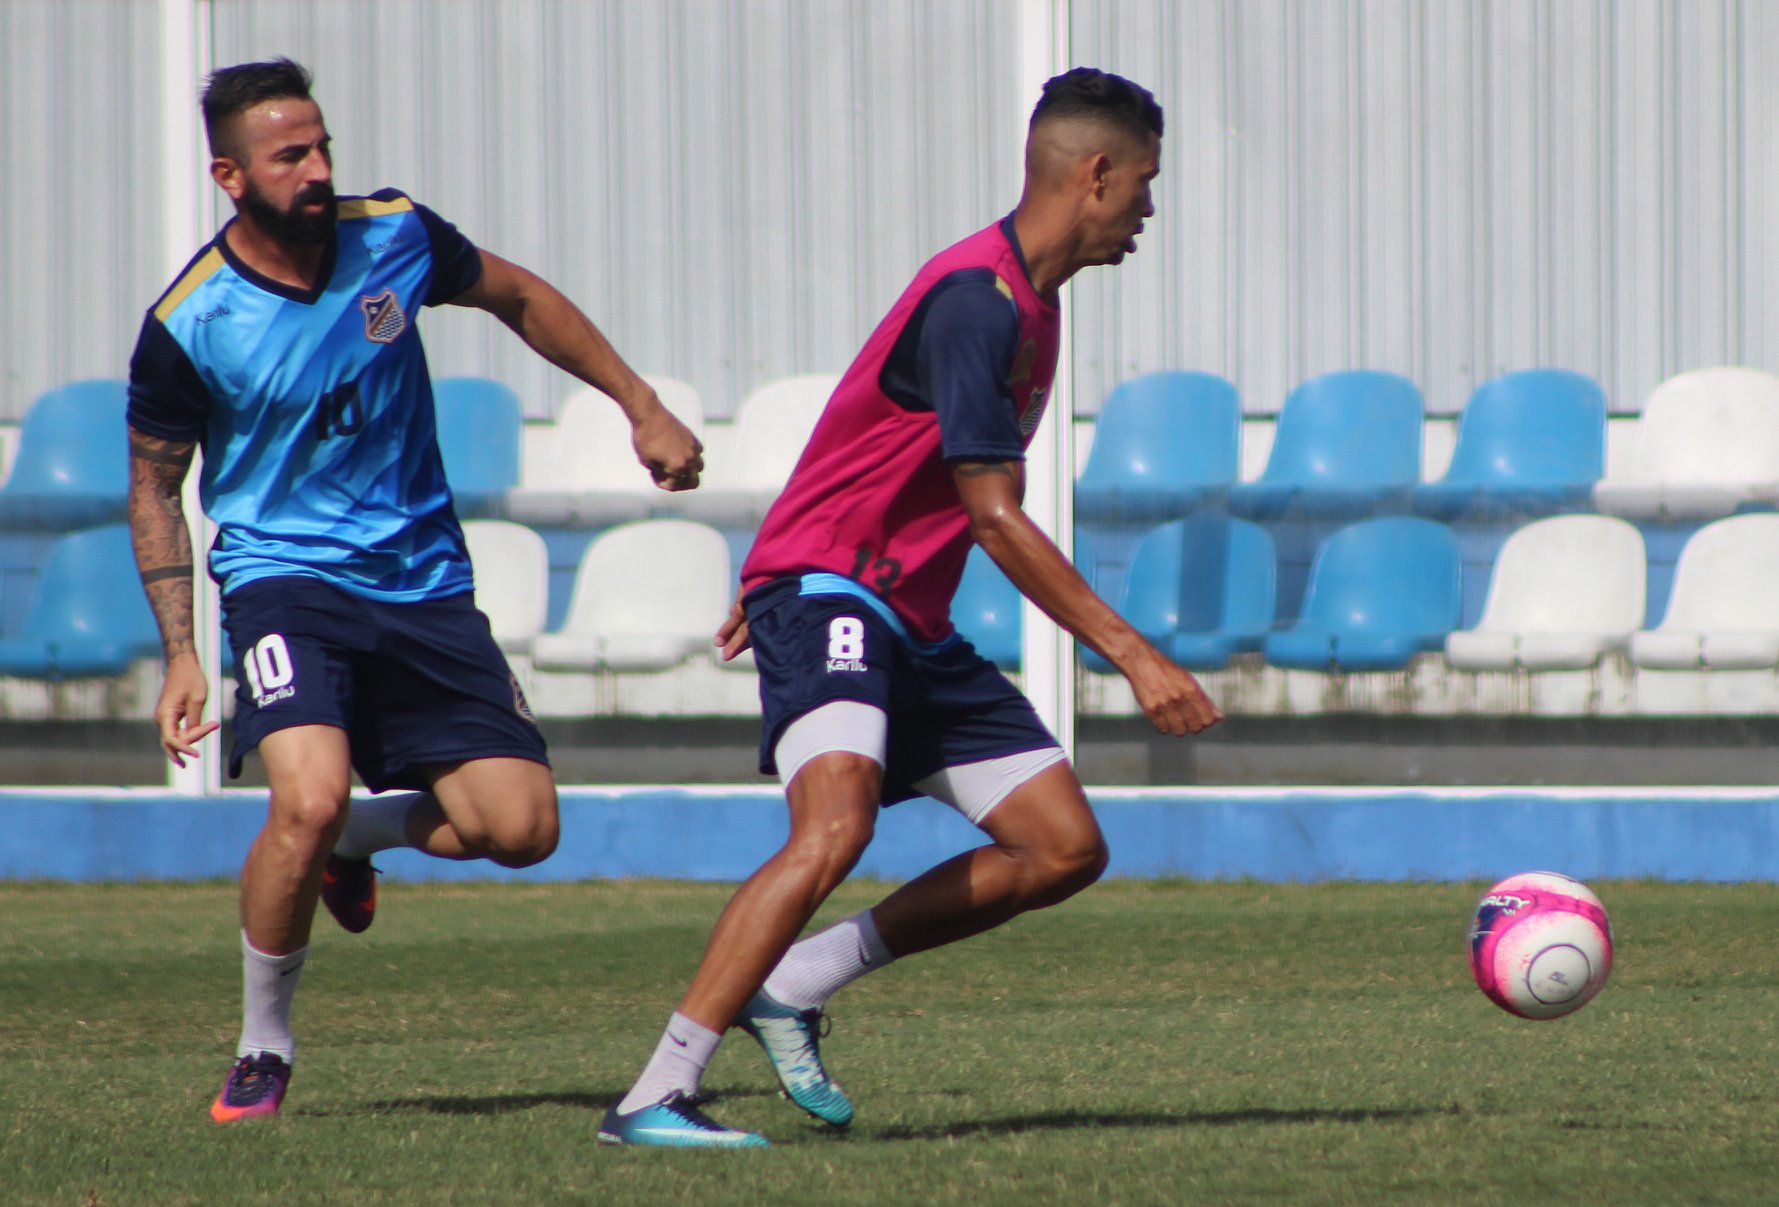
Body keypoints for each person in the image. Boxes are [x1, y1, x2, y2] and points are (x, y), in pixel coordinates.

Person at [598, 67, 1222, 1149]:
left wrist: (777, 559)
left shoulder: (1030, 305)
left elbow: (862, 434)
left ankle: (796, 980)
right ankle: (653, 1094)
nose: (1150, 214)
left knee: (1063, 846)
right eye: (1147, 186)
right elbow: (995, 517)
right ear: (1097, 174)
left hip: (895, 613)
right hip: (837, 592)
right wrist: (1133, 652)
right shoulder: (976, 303)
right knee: (834, 824)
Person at [125, 57, 703, 1124]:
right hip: (284, 580)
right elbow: (155, 489)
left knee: (523, 828)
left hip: (424, 581)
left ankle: (358, 837)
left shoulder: (395, 233)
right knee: (303, 795)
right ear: (228, 175)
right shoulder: (190, 322)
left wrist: (640, 406)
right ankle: (264, 1043)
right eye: (288, 155)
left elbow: (523, 295)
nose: (316, 169)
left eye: (321, 146)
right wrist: (183, 648)